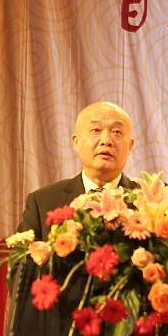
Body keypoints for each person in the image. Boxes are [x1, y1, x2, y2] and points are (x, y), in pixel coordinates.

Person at [18, 100, 136, 238]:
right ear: (76, 142)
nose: (106, 141)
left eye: (116, 132)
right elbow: (24, 251)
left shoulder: (150, 203)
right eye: (96, 130)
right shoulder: (42, 202)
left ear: (130, 146)